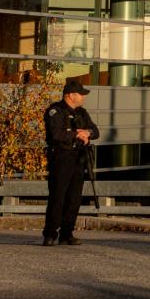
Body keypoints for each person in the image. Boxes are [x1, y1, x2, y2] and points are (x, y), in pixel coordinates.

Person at [42, 79, 99, 246]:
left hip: (78, 158)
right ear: (70, 95)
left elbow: (95, 131)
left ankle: (67, 233)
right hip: (61, 158)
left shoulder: (82, 113)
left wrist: (86, 133)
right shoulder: (55, 111)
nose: (83, 97)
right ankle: (50, 234)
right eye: (80, 94)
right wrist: (76, 134)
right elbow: (56, 135)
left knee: (74, 199)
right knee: (58, 197)